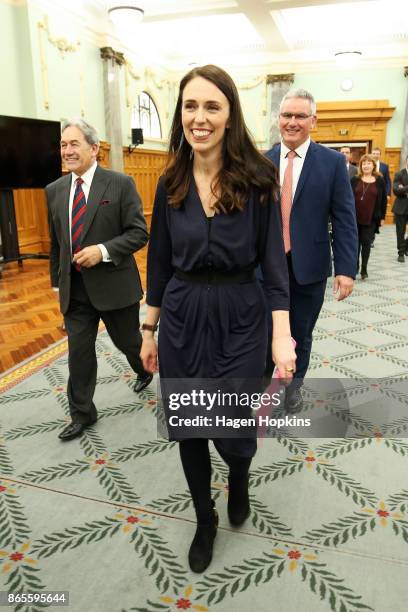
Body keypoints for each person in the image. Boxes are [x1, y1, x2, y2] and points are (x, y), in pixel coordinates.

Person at [140, 65, 296, 573]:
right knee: (189, 426)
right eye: (190, 106)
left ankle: (239, 479)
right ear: (180, 114)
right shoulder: (170, 181)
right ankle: (204, 520)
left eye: (212, 106)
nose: (199, 117)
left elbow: (274, 267)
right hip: (183, 317)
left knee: (232, 428)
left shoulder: (257, 180)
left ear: (230, 116)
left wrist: (282, 337)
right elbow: (159, 264)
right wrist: (148, 330)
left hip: (241, 318)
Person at [47, 119, 150, 442]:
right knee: (79, 353)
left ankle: (144, 368)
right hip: (75, 291)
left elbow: (138, 233)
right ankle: (82, 414)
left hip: (114, 287)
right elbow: (56, 244)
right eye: (64, 145)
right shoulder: (54, 191)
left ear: (94, 148)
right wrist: (56, 283)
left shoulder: (119, 184)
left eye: (74, 144)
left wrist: (102, 251)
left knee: (128, 342)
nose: (67, 151)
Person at [264, 89, 358, 411]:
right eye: (286, 115)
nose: (292, 122)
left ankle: (293, 388)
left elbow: (345, 218)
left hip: (309, 268)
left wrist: (346, 269)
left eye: (300, 116)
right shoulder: (260, 162)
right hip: (263, 269)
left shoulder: (332, 163)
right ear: (279, 119)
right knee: (264, 332)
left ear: (313, 121)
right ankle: (261, 385)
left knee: (300, 334)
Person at [350, 154, 387, 279]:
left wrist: (382, 217)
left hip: (371, 219)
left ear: (373, 165)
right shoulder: (354, 180)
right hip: (354, 218)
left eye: (368, 163)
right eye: (364, 163)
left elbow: (383, 201)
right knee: (355, 244)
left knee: (366, 244)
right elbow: (348, 198)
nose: (366, 165)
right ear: (361, 166)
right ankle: (355, 267)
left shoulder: (380, 180)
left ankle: (364, 269)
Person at [392, 155, 408, 262]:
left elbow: (401, 189)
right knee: (400, 231)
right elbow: (396, 190)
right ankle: (401, 253)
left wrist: (404, 188)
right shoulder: (399, 174)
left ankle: (405, 246)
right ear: (406, 161)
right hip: (401, 207)